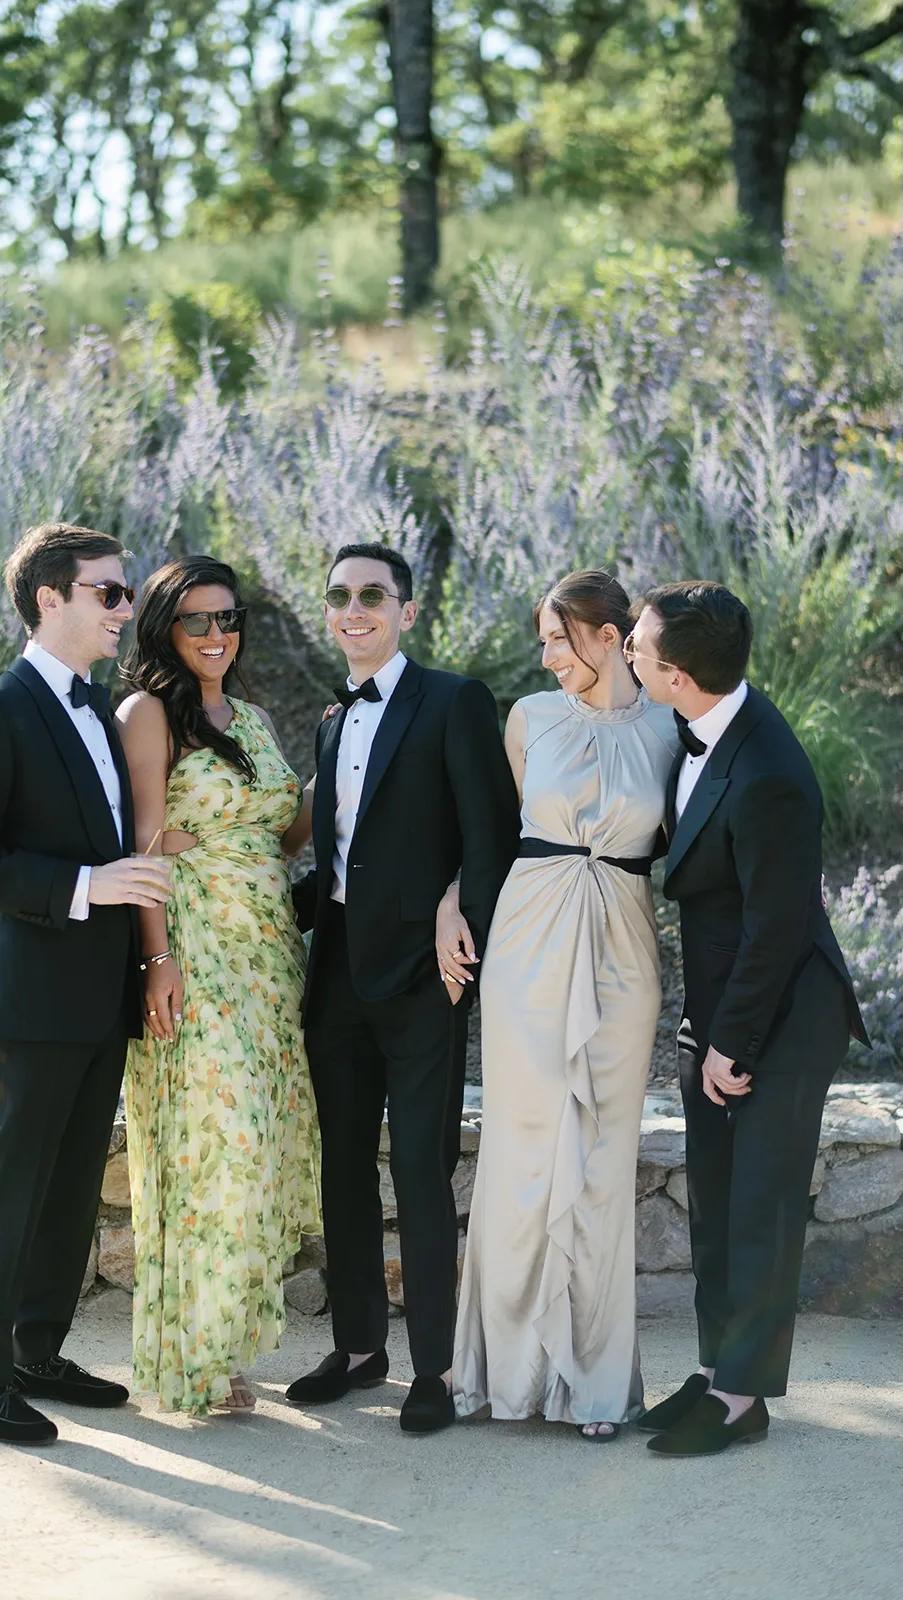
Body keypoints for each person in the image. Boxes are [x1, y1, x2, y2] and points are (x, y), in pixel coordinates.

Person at [0, 522, 172, 1445]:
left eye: (125, 591)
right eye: (109, 592)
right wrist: (85, 886)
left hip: (97, 998)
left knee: (69, 1189)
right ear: (50, 600)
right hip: (29, 1000)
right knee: (9, 1188)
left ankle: (38, 1351)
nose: (125, 607)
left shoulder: (100, 709)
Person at [627, 580, 868, 1456]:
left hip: (778, 1013)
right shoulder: (697, 725)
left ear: (679, 674)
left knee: (759, 1207)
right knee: (715, 1206)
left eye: (638, 651)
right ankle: (713, 1368)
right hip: (723, 1001)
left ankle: (744, 1398)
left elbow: (776, 927)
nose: (629, 657)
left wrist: (732, 1044)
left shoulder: (767, 772)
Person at [284, 541, 519, 1435]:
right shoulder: (330, 720)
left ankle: (434, 1368)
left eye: (372, 595)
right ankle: (356, 1349)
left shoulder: (454, 701)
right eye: (340, 594)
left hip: (426, 979)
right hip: (337, 975)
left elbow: (491, 834)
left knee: (420, 1172)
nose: (355, 609)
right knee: (341, 1170)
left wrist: (460, 904)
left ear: (406, 611)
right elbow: (338, 864)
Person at [441, 570, 678, 1440]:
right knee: (525, 1145)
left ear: (613, 634)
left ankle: (595, 1388)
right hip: (529, 939)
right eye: (541, 638)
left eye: (557, 636)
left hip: (621, 942)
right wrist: (446, 902)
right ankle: (505, 1376)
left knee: (603, 1157)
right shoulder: (529, 718)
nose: (545, 656)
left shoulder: (669, 724)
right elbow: (493, 834)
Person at [116, 556, 321, 1415]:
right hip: (195, 951)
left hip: (270, 955)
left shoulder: (259, 718)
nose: (215, 635)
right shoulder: (147, 714)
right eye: (196, 620)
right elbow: (147, 845)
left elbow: (280, 839)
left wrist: (348, 776)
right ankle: (195, 1359)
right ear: (164, 625)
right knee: (215, 1149)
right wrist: (156, 960)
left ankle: (228, 1340)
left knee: (259, 1156)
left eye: (227, 619)